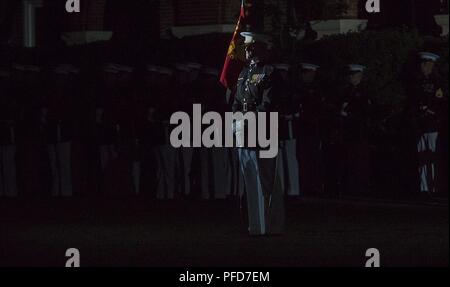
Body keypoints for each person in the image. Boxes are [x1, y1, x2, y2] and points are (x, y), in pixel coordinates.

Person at [232, 31, 284, 236]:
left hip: (263, 131)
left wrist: (250, 117)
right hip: (244, 131)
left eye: (251, 46)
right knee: (250, 179)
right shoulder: (244, 73)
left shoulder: (270, 72)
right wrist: (236, 117)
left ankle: (271, 225)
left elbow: (268, 104)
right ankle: (255, 225)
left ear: (262, 48)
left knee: (267, 180)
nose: (247, 50)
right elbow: (237, 100)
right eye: (246, 47)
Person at [406, 52, 446, 195]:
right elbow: (412, 101)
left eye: (428, 64)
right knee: (422, 157)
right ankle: (424, 187)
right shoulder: (416, 81)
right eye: (423, 64)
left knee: (433, 156)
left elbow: (440, 102)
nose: (425, 67)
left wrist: (430, 111)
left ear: (432, 66)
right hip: (420, 123)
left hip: (432, 122)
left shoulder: (437, 82)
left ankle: (434, 186)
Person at [338, 64, 373, 195]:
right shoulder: (347, 91)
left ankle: (359, 186)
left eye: (355, 75)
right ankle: (350, 185)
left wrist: (349, 114)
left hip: (359, 129)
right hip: (349, 130)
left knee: (359, 158)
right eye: (351, 75)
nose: (352, 78)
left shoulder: (363, 92)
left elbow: (364, 111)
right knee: (349, 157)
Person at [292, 62, 323, 197]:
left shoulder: (314, 90)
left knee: (312, 158)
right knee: (304, 157)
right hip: (303, 128)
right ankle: (306, 186)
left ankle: (312, 186)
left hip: (311, 127)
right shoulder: (300, 90)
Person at [0, 66, 18, 197]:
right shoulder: (8, 96)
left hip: (8, 132)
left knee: (9, 164)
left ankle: (10, 193)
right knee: (7, 164)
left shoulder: (10, 96)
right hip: (6, 132)